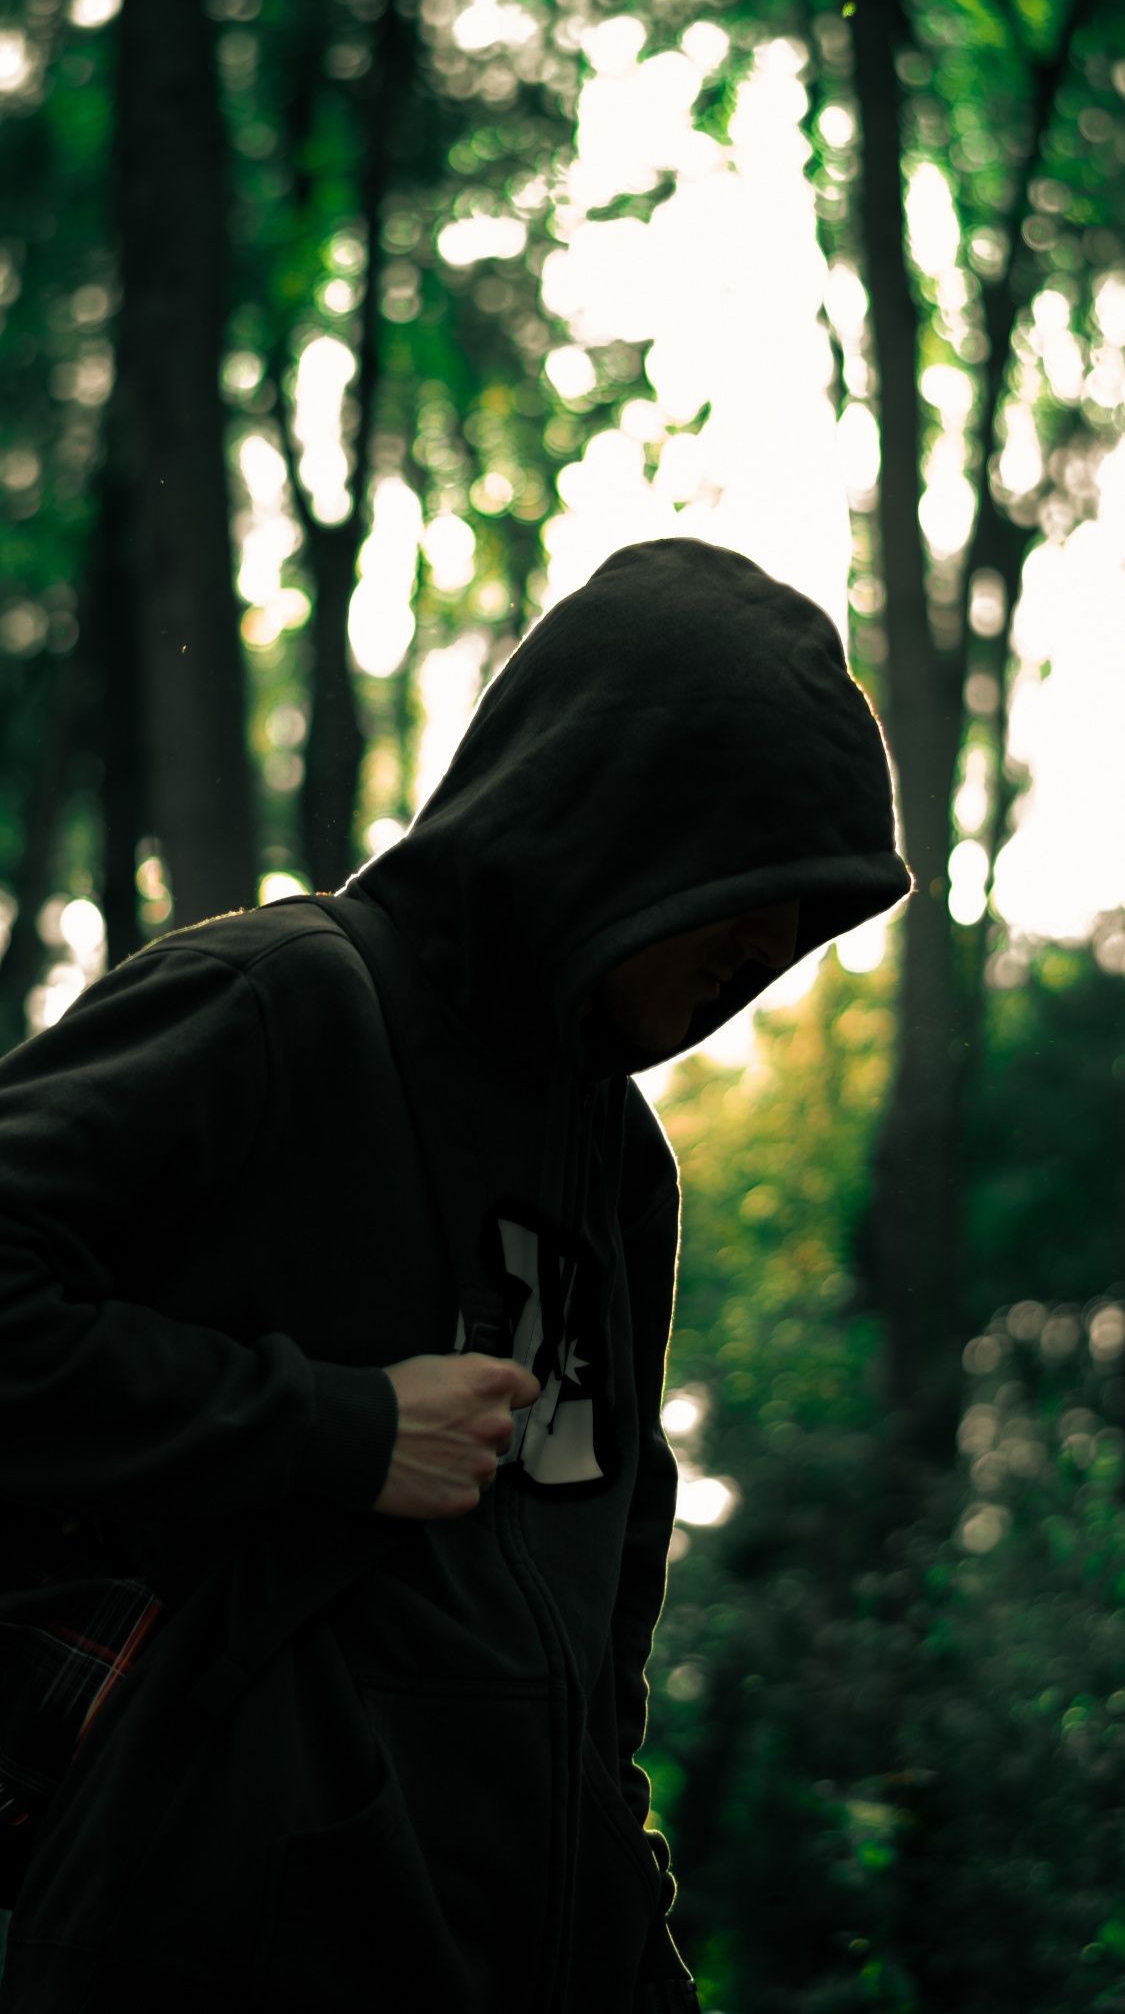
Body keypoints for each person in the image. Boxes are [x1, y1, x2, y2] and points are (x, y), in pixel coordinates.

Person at [0, 537, 910, 2014]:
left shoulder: (620, 1167)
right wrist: (336, 1427)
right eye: (740, 890)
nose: (765, 950)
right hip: (208, 1939)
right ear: (616, 820)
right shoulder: (283, 1002)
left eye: (801, 920)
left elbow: (591, 1629)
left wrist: (623, 1938)